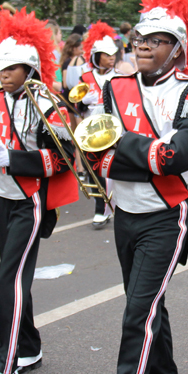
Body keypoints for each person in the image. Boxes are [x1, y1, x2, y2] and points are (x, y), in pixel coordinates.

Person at [81, 0, 188, 374]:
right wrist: (135, 152)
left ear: (177, 49)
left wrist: (119, 146)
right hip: (125, 213)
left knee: (136, 314)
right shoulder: (113, 86)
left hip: (166, 216)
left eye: (156, 40)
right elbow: (93, 155)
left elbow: (177, 157)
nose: (142, 45)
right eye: (139, 37)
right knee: (150, 305)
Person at [0, 8, 78, 374]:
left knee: (7, 281)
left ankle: (6, 361)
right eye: (1, 67)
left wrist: (13, 159)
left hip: (30, 199)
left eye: (12, 68)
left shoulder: (51, 104)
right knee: (14, 276)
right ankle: (29, 347)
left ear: (29, 69)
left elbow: (63, 158)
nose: (4, 73)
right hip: (1, 195)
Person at [74, 22, 120, 228]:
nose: (111, 57)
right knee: (94, 167)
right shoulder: (85, 77)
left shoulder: (120, 77)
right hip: (91, 127)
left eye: (113, 54)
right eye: (106, 54)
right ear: (96, 55)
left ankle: (109, 205)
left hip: (112, 127)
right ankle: (101, 205)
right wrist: (82, 102)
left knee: (111, 167)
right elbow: (76, 105)